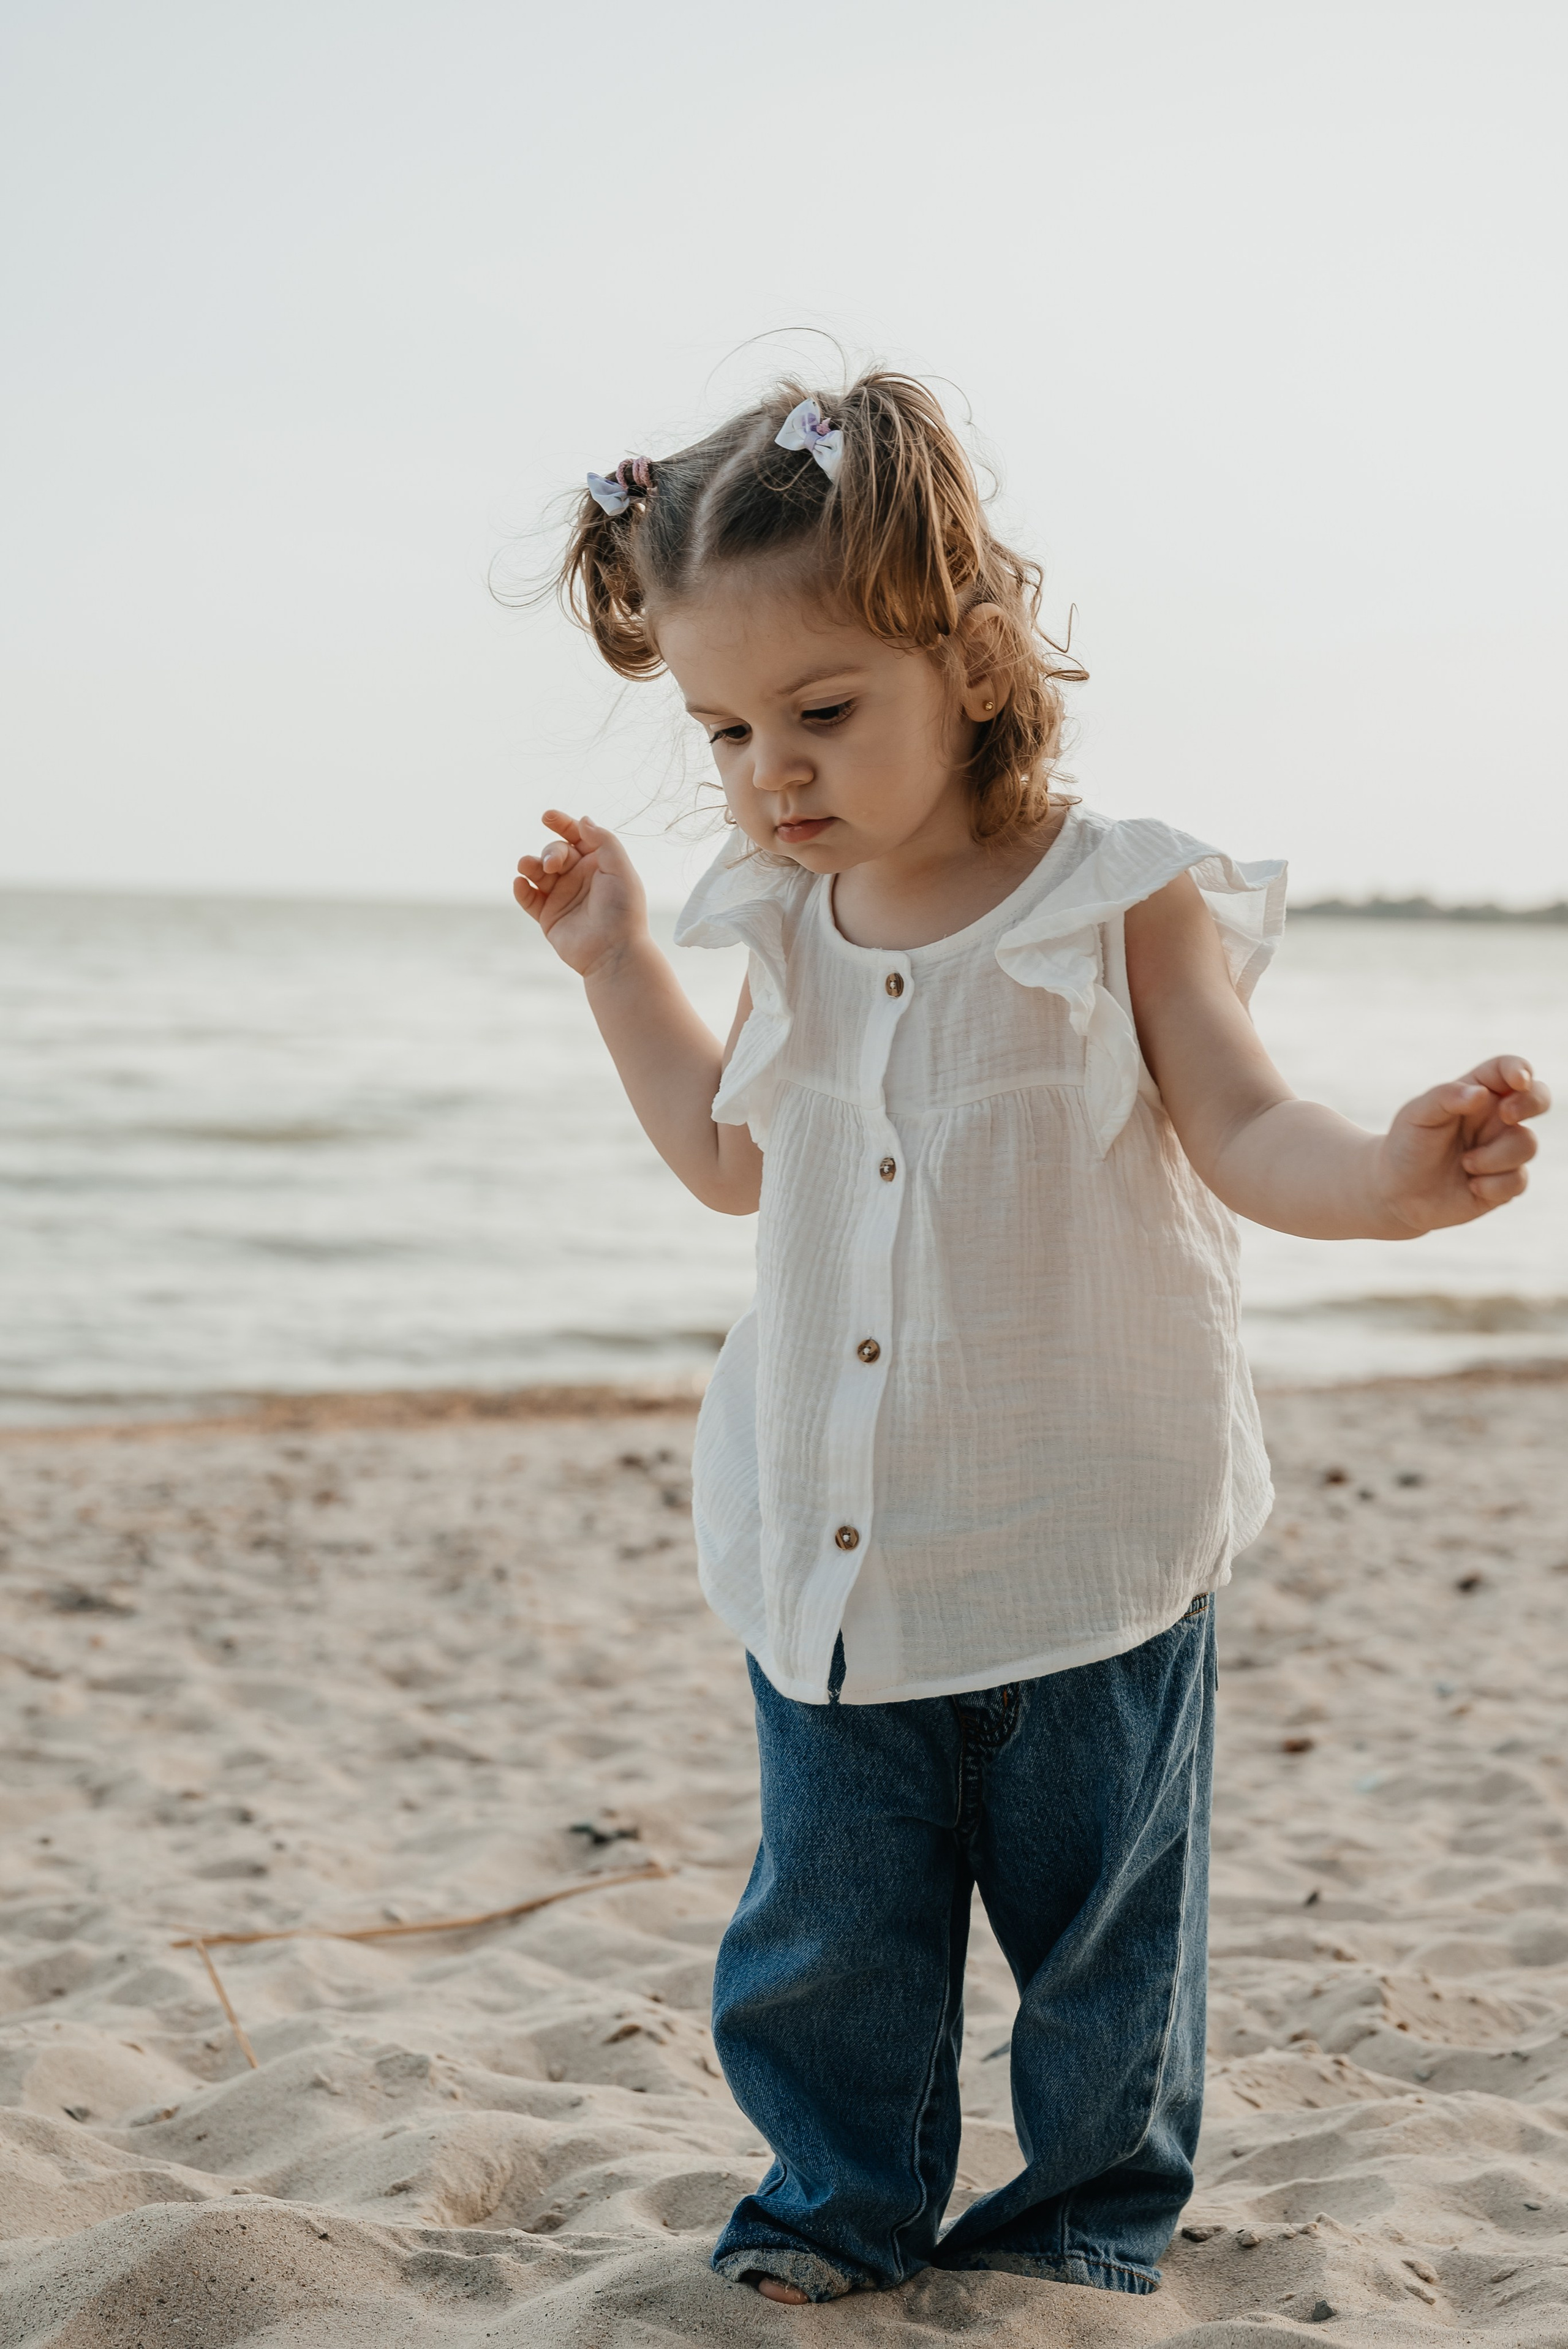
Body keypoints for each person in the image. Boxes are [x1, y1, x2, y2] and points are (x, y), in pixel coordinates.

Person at [513, 371, 1549, 2306]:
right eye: (728, 730)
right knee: (828, 1933)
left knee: (1105, 1946)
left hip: (1089, 1553)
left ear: (976, 663)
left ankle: (1081, 2222)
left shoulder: (1119, 894)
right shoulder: (792, 927)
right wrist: (619, 961)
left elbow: (1245, 1126)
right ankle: (836, 2209)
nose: (772, 774)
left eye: (823, 713)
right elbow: (725, 1163)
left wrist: (1391, 1179)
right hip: (841, 1553)